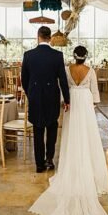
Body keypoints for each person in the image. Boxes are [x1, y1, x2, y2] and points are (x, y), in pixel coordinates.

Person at [29, 46, 108, 215]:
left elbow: (62, 85)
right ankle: (87, 162)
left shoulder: (67, 69)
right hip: (85, 103)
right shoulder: (91, 71)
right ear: (86, 57)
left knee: (71, 134)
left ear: (74, 56)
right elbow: (95, 94)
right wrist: (91, 104)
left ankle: (70, 161)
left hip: (71, 101)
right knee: (87, 135)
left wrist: (64, 100)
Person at [21, 26, 71, 173]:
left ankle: (39, 165)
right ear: (50, 38)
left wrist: (31, 94)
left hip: (35, 97)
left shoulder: (28, 55)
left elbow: (24, 79)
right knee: (52, 128)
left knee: (37, 129)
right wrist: (67, 100)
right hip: (52, 97)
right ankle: (49, 159)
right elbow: (62, 80)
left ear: (38, 36)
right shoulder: (57, 55)